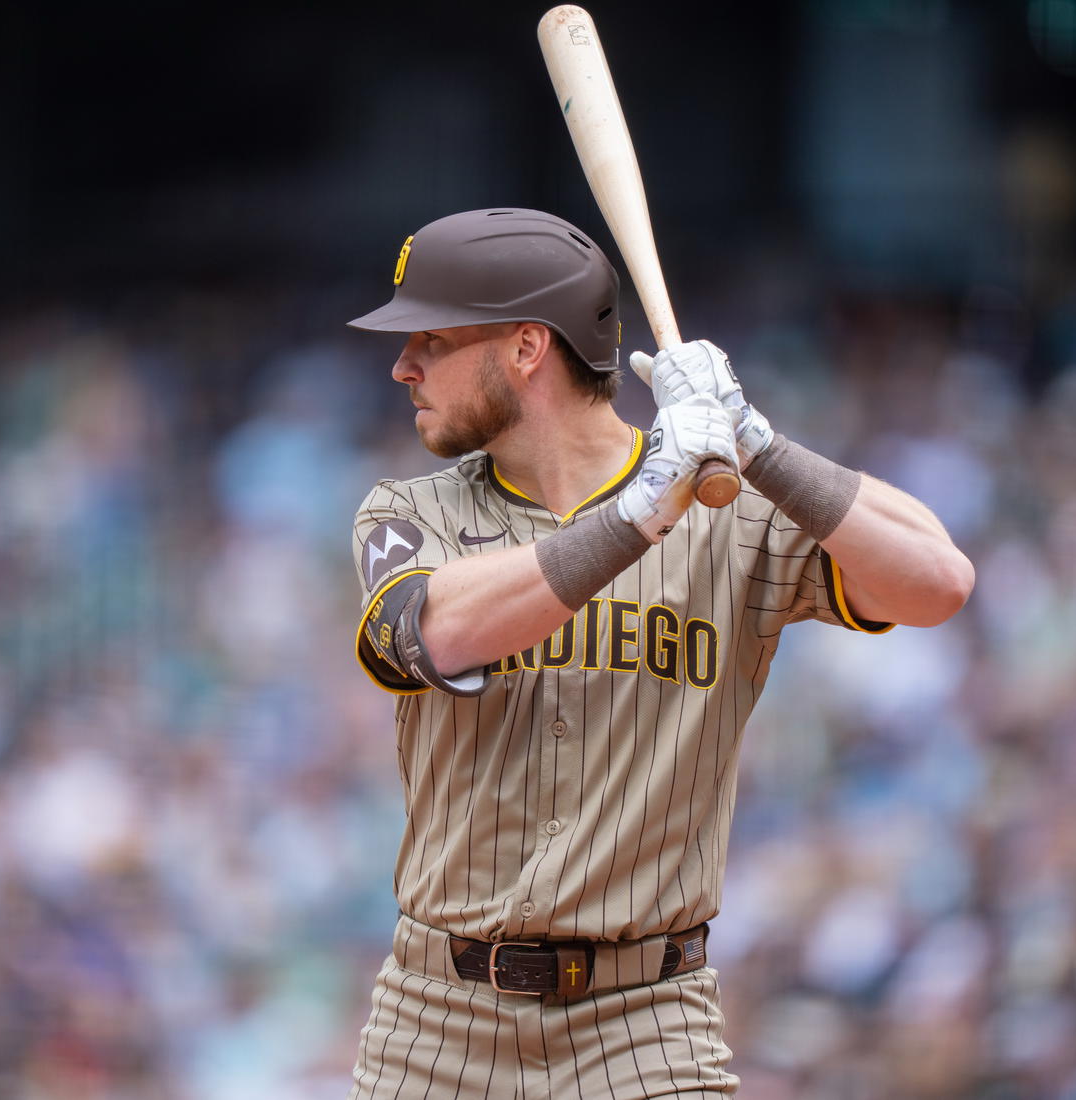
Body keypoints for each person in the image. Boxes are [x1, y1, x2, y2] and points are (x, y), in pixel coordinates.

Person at [345, 207, 973, 1097]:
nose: (402, 364)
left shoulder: (729, 504)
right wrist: (638, 512)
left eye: (432, 340)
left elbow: (938, 580)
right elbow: (431, 632)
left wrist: (757, 442)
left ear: (527, 348)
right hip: (435, 1020)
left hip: (647, 1024)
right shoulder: (411, 512)